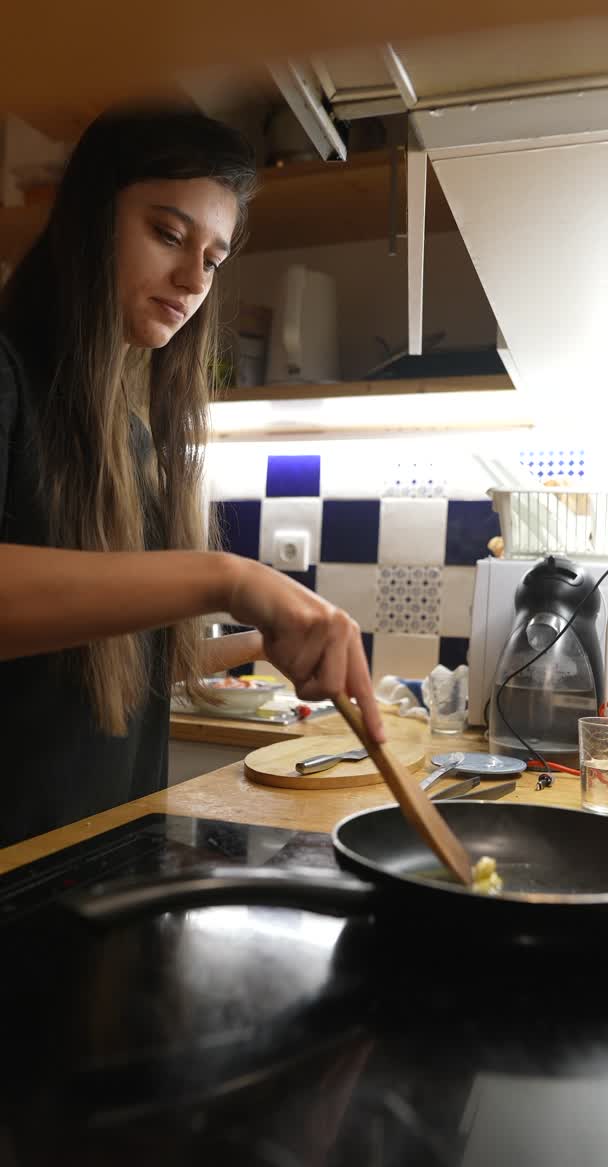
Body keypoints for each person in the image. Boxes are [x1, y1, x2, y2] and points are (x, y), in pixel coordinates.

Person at [0, 103, 384, 848]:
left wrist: (257, 639)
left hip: (99, 863)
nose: (190, 278)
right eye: (168, 234)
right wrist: (226, 577)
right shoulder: (7, 377)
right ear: (87, 220)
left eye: (212, 259)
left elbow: (102, 662)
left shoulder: (132, 437)